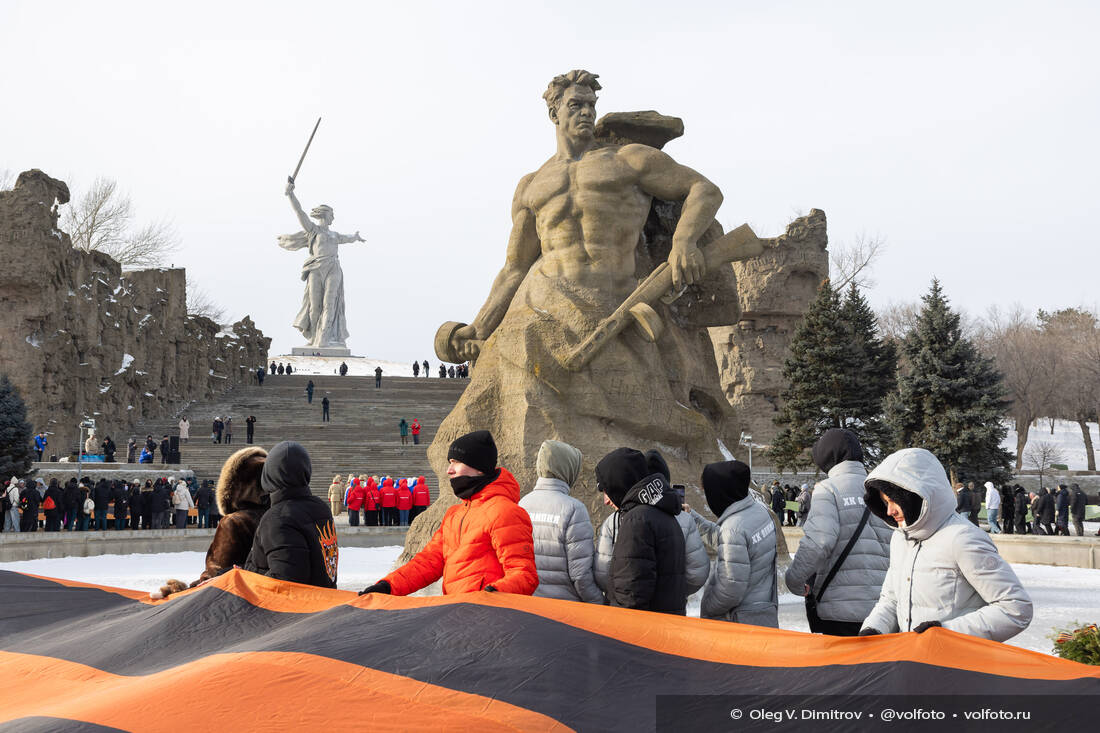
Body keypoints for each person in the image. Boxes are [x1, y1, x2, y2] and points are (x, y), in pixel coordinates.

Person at [859, 448, 1032, 642]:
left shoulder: (963, 538)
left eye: (893, 500)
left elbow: (1016, 608)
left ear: (915, 495)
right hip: (912, 662)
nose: (889, 511)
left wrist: (945, 632)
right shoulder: (900, 538)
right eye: (884, 502)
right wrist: (873, 630)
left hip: (955, 664)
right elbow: (891, 599)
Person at [359, 430, 536, 597]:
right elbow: (428, 562)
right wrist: (388, 586)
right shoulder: (454, 514)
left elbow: (524, 574)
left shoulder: (505, 512)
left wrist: (491, 596)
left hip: (489, 617)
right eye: (450, 462)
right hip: (457, 613)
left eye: (456, 462)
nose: (449, 470)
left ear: (478, 468)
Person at [784, 429, 891, 636]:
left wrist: (794, 579)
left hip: (841, 610)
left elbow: (819, 541)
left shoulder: (828, 489)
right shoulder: (881, 490)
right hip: (883, 611)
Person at [152, 447, 270, 599]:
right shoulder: (278, 515)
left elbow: (216, 579)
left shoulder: (234, 523)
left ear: (232, 485)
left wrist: (182, 592)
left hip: (242, 604)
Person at [685, 459, 778, 626]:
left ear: (720, 492)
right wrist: (693, 517)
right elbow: (730, 544)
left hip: (739, 622)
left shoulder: (733, 528)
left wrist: (707, 608)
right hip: (762, 613)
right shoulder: (758, 511)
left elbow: (730, 589)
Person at [594, 447, 685, 614]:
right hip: (663, 628)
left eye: (607, 491)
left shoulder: (637, 520)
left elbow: (630, 596)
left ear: (620, 482)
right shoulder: (662, 513)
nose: (606, 501)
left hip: (640, 632)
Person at [518, 439, 604, 604]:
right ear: (568, 469)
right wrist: (600, 604)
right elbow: (580, 575)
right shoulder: (574, 510)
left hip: (527, 607)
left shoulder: (522, 505)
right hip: (564, 611)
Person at [244, 441, 339, 588]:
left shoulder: (278, 518)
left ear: (269, 474)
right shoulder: (320, 507)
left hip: (293, 609)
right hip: (323, 603)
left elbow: (285, 582)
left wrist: (245, 579)